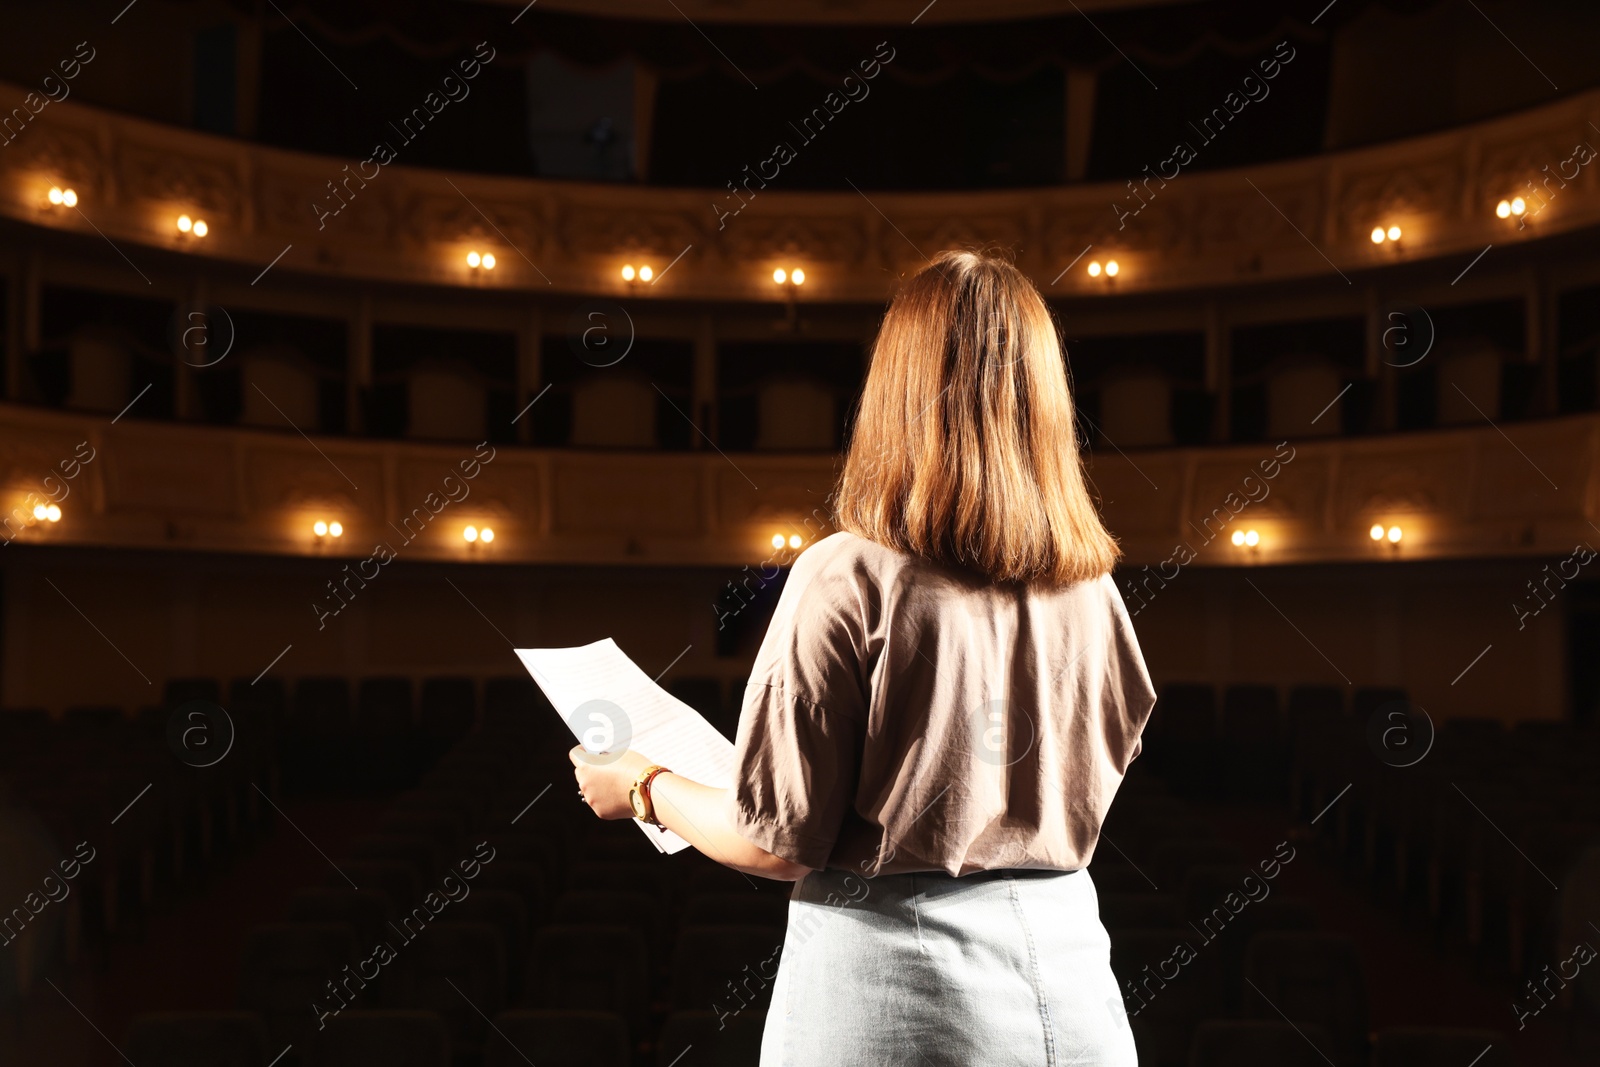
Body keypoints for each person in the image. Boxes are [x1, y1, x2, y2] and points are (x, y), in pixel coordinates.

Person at [571, 249, 1156, 1067]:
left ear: (897, 390)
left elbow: (777, 843)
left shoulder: (846, 573)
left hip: (901, 1000)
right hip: (1075, 988)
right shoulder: (1095, 591)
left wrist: (643, 785)